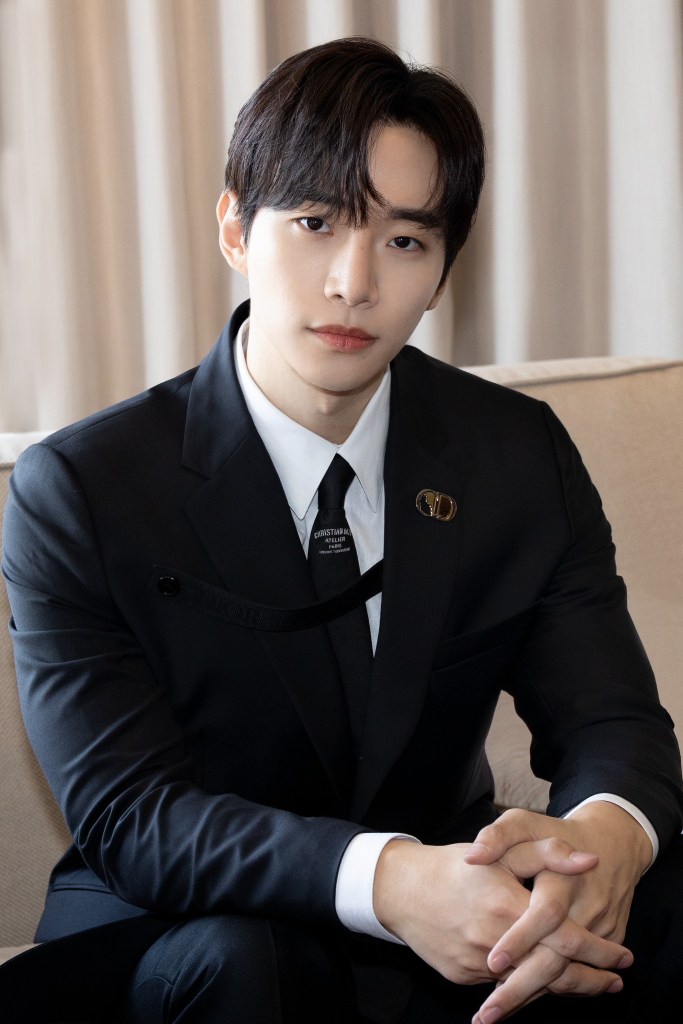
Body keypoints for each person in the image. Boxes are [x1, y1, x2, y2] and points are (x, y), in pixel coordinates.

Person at [1, 35, 681, 1024]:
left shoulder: (513, 452)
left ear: (443, 270)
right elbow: (131, 815)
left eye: (404, 240)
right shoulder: (81, 488)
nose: (353, 283)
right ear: (235, 228)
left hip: (456, 916)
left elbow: (611, 719)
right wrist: (388, 880)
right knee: (244, 961)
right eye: (316, 223)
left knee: (656, 887)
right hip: (186, 930)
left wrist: (605, 841)